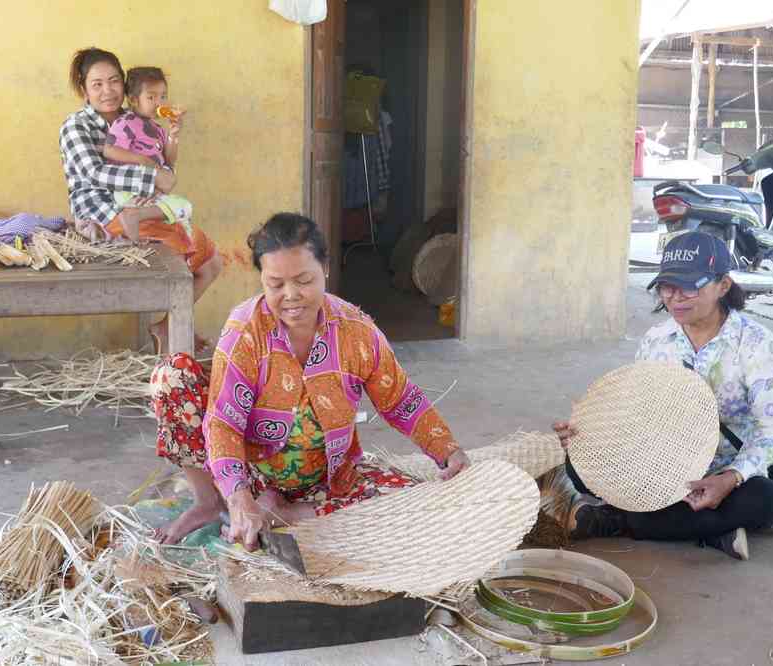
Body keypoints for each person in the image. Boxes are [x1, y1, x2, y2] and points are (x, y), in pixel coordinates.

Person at [149, 213, 471, 547]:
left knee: (413, 500)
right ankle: (213, 503)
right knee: (171, 376)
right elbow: (224, 424)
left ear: (326, 269)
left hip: (326, 481)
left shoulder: (356, 330)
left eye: (304, 280)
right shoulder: (245, 331)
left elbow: (400, 399)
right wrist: (238, 496)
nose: (291, 295)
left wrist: (447, 449)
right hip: (253, 474)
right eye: (275, 284)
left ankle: (287, 515)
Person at [545, 233, 773, 560]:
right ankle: (713, 530)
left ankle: (618, 520)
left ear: (723, 285)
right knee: (579, 468)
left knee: (766, 500)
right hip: (659, 460)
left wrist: (730, 478)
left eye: (689, 286)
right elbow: (637, 408)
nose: (675, 298)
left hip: (723, 468)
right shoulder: (657, 339)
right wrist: (590, 432)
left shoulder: (761, 346)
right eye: (667, 287)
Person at [59, 48, 220, 353]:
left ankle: (168, 327)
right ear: (84, 90)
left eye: (114, 81)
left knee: (212, 264)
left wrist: (172, 139)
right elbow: (95, 173)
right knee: (203, 260)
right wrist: (153, 177)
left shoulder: (136, 119)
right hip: (104, 213)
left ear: (125, 85)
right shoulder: (76, 126)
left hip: (144, 207)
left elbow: (164, 168)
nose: (107, 91)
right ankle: (174, 333)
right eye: (97, 84)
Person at [104, 66, 194, 242]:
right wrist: (141, 159)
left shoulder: (158, 129)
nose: (159, 103)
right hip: (130, 190)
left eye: (163, 96)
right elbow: (109, 150)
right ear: (134, 100)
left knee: (182, 211)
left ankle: (138, 229)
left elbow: (169, 161)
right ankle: (133, 217)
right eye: (151, 97)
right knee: (184, 207)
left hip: (151, 190)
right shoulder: (126, 122)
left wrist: (173, 136)